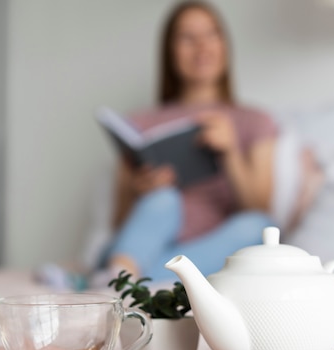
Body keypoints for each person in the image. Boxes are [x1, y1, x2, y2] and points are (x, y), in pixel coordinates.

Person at [37, 0, 277, 290]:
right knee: (163, 200)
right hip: (144, 239)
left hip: (213, 244)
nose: (202, 46)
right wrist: (139, 191)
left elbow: (261, 207)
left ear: (225, 44)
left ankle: (108, 280)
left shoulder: (254, 120)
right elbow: (119, 222)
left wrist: (230, 153)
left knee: (258, 226)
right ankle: (121, 272)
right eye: (187, 37)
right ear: (170, 52)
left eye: (211, 34)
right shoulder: (139, 124)